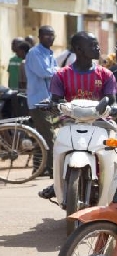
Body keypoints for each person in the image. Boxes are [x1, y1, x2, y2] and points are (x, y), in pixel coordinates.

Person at [38, 31, 117, 201]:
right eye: (92, 45)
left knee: (115, 148)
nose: (98, 48)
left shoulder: (106, 74)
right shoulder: (61, 75)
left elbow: (111, 100)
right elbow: (56, 99)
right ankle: (58, 181)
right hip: (69, 121)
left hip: (100, 122)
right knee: (58, 143)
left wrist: (114, 105)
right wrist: (52, 106)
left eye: (97, 44)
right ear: (78, 49)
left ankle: (115, 181)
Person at [25, 25, 58, 176]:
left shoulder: (50, 54)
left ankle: (39, 168)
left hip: (49, 101)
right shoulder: (34, 53)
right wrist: (60, 71)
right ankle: (52, 169)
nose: (50, 38)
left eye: (52, 35)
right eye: (47, 35)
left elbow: (56, 74)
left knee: (42, 136)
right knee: (49, 136)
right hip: (39, 101)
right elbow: (44, 72)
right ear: (40, 37)